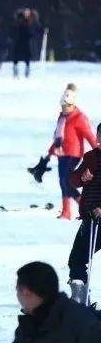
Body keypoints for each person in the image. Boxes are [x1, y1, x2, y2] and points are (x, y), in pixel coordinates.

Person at [50, 86, 97, 220]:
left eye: (65, 106)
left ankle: (83, 205)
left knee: (67, 181)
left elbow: (89, 135)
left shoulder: (79, 118)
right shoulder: (62, 117)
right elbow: (57, 136)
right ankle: (66, 212)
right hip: (61, 153)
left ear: (72, 105)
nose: (63, 109)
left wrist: (97, 151)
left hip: (73, 154)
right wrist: (50, 152)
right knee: (62, 182)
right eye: (62, 106)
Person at [67, 129, 101, 303]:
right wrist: (82, 177)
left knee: (79, 258)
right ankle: (80, 301)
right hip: (91, 220)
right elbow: (73, 180)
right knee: (77, 259)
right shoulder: (91, 157)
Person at [14, 8, 38, 78]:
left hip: (23, 41)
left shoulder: (25, 22)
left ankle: (23, 69)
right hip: (22, 41)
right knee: (21, 56)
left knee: (21, 56)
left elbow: (29, 31)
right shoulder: (22, 23)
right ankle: (19, 70)